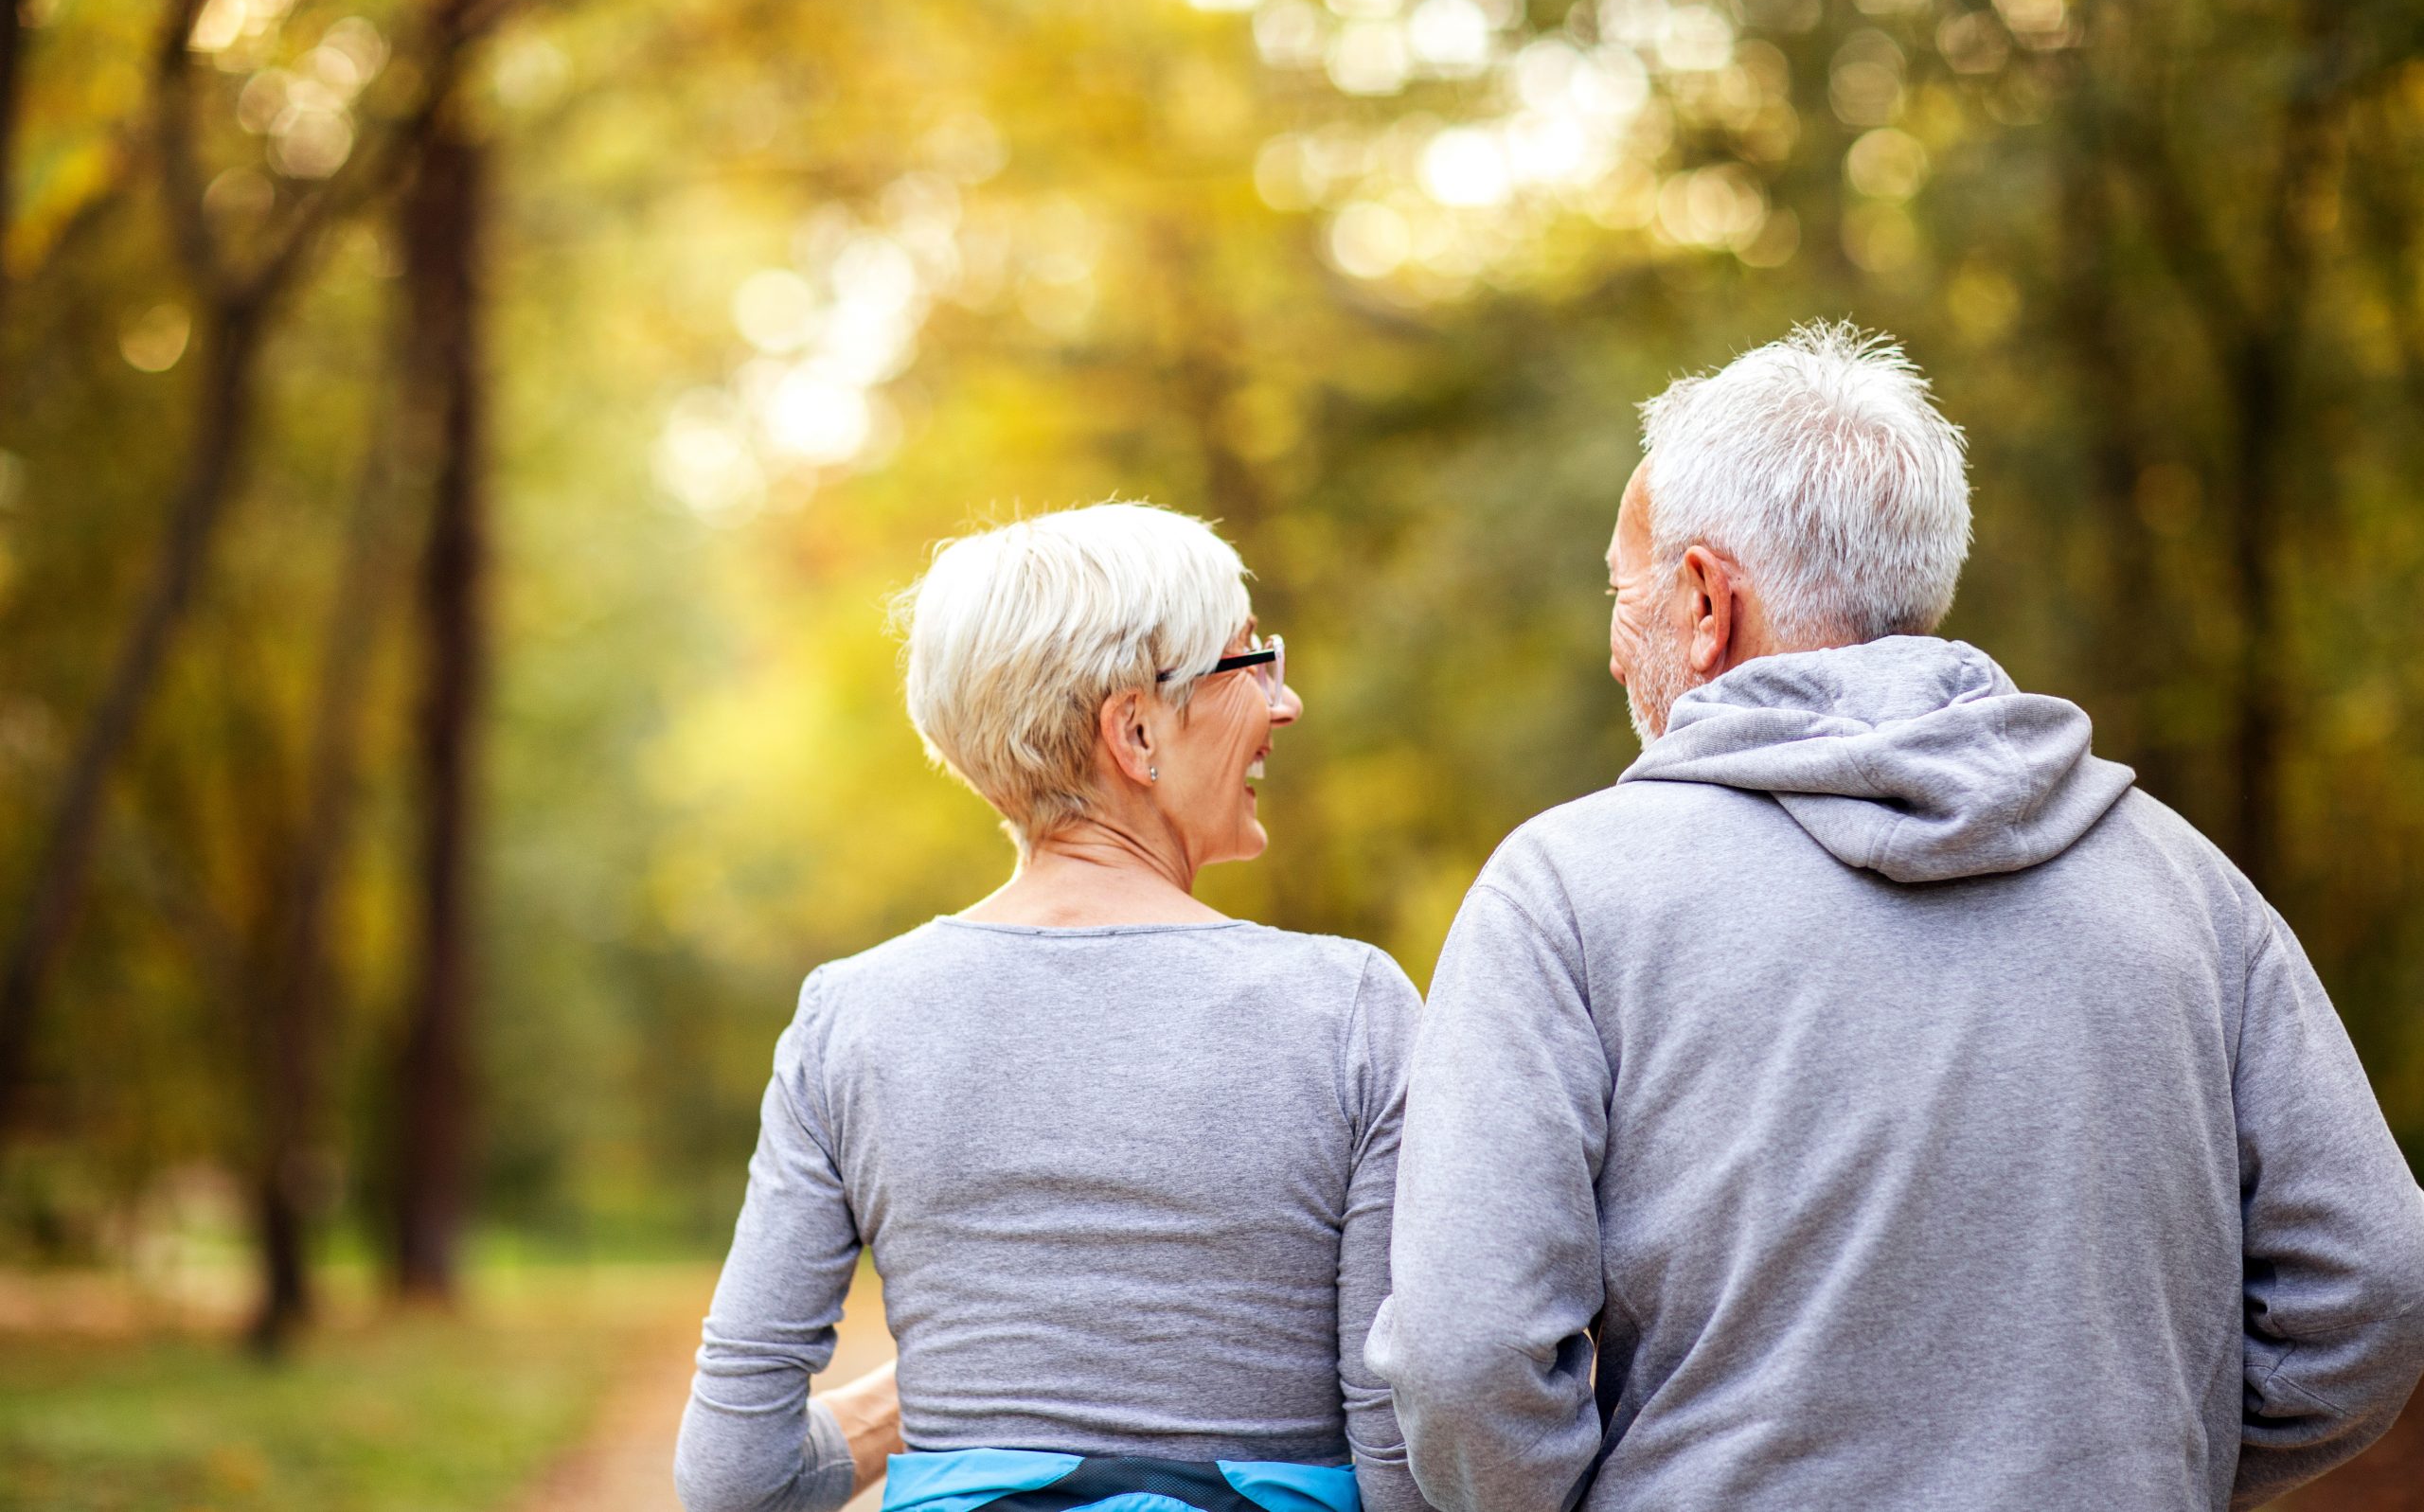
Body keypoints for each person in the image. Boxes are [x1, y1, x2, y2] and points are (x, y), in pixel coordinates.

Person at [1368, 323, 2424, 1512]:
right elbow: (2375, 1286)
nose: (1619, 655)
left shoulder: (1564, 891)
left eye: (1624, 596)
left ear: (1707, 603)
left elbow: (1466, 1356)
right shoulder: (2181, 880)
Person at [674, 502, 1430, 1512]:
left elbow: (734, 1480)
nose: (1283, 705)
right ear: (1135, 731)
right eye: (1251, 666)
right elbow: (1406, 1460)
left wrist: (975, 1408)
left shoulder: (851, 1018)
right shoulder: (1349, 1010)